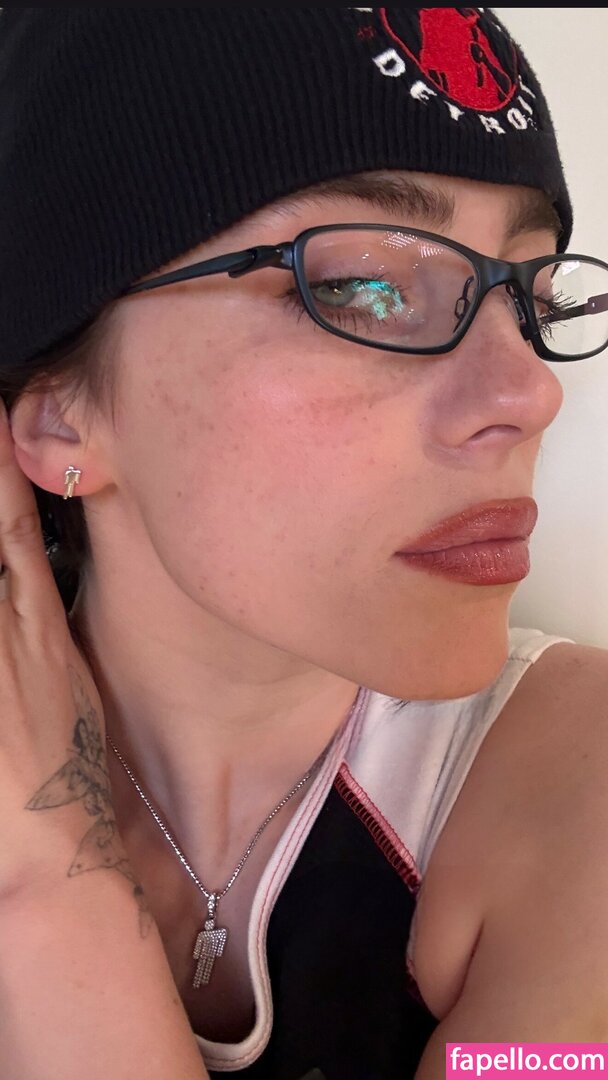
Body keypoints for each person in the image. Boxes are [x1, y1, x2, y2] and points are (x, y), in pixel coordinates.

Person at [0, 8, 607, 1080]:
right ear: (61, 420)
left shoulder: (581, 784)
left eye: (529, 296)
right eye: (363, 287)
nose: (528, 394)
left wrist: (50, 888)